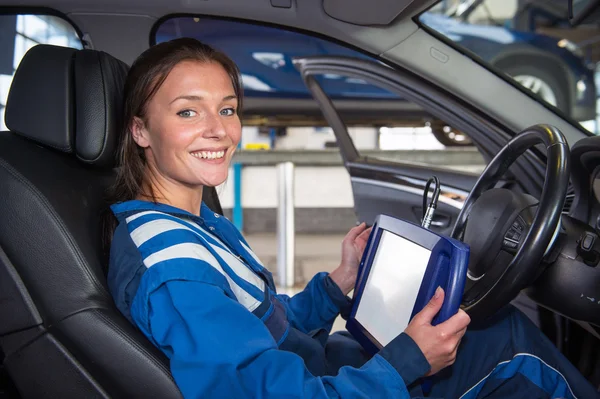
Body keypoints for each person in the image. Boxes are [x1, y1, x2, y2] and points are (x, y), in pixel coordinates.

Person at [105, 37, 599, 399]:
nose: (218, 131)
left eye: (228, 109)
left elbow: (265, 326)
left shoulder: (189, 224)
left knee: (485, 327)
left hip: (332, 369)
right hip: (334, 387)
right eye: (188, 113)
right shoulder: (174, 267)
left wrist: (335, 286)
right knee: (510, 342)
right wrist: (408, 359)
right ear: (141, 131)